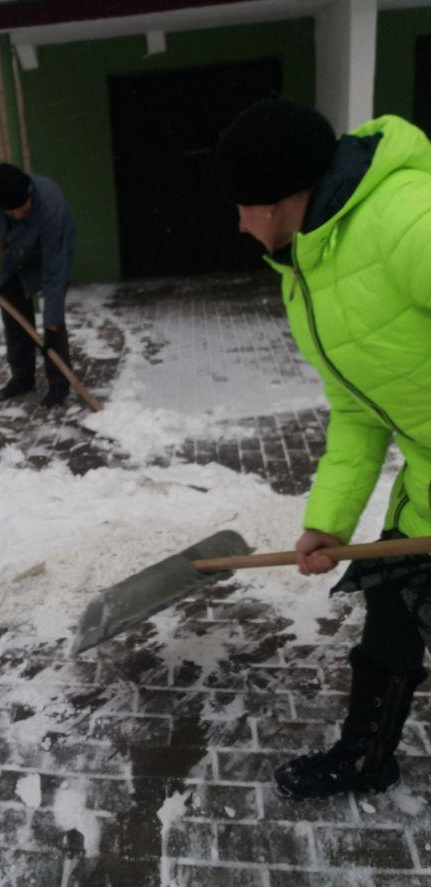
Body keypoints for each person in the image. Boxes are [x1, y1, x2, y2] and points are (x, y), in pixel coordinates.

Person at [217, 96, 431, 800]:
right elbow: (358, 409)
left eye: (242, 204)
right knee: (393, 619)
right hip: (424, 482)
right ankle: (367, 756)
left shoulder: (406, 219)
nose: (237, 221)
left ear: (278, 200)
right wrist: (328, 520)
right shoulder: (308, 264)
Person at [0, 162, 76, 408]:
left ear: (29, 192)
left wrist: (50, 325)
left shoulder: (50, 206)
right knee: (12, 308)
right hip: (16, 252)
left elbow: (54, 274)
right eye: (10, 212)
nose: (17, 215)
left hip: (54, 248)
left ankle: (59, 382)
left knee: (53, 318)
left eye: (22, 209)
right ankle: (23, 377)